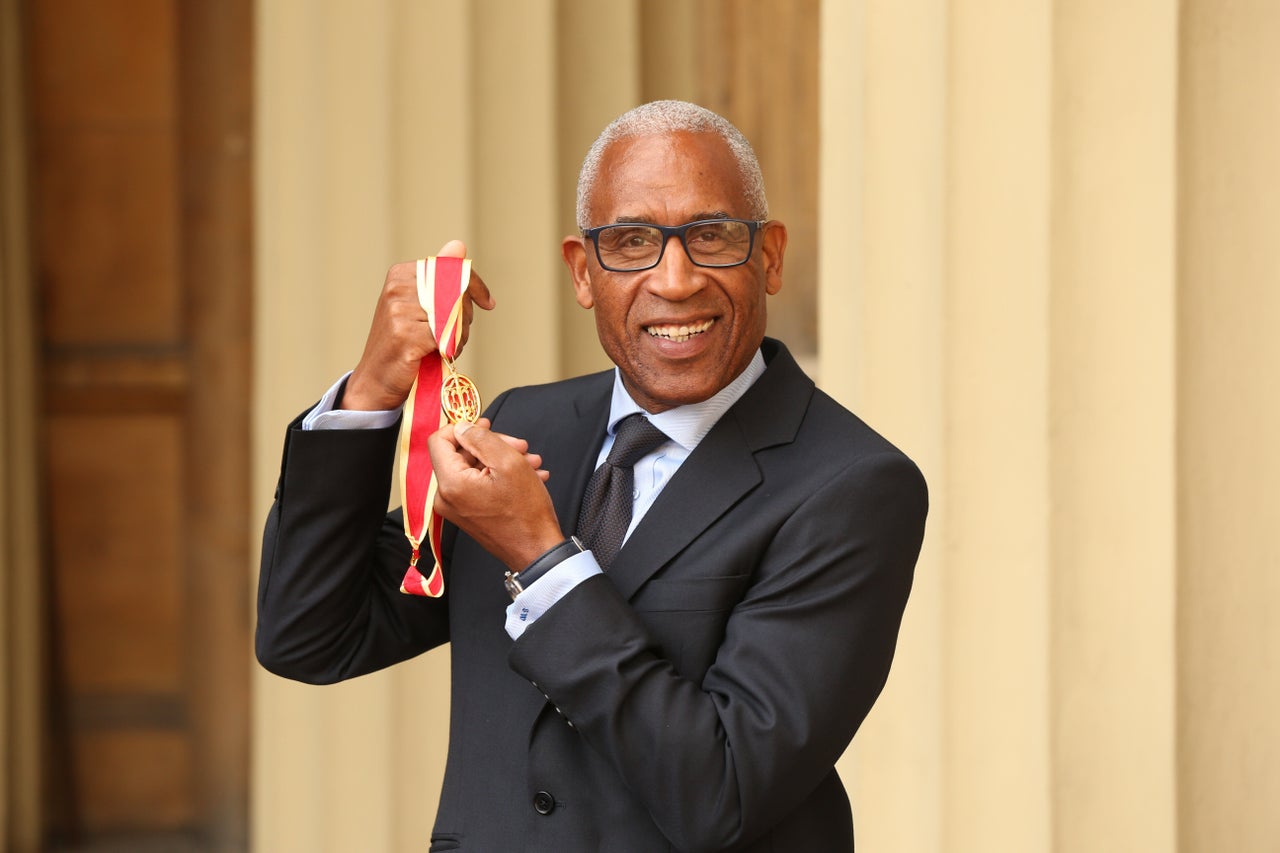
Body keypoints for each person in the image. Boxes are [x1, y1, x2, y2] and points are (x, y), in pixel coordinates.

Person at [256, 100, 927, 852]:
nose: (674, 281)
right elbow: (311, 634)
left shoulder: (853, 485)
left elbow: (723, 793)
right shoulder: (529, 426)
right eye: (633, 242)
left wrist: (543, 560)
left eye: (710, 237)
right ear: (584, 270)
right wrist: (373, 391)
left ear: (767, 256)